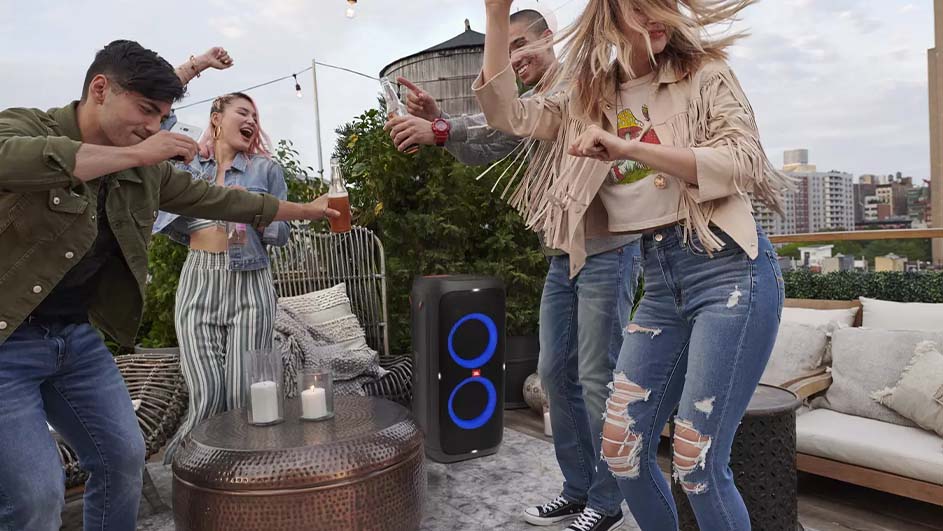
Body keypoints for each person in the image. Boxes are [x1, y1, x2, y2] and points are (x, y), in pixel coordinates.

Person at [475, 1, 789, 529]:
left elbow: (744, 162)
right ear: (609, 20)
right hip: (661, 276)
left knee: (697, 461)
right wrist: (494, 13)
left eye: (659, 6)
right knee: (621, 448)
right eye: (637, 10)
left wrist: (630, 148)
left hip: (729, 270)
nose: (654, 19)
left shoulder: (704, 74)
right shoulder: (590, 95)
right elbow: (507, 113)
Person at [0, 39, 337, 531]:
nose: (154, 127)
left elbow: (223, 201)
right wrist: (139, 150)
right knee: (36, 496)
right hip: (8, 341)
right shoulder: (28, 125)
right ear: (100, 90)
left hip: (75, 339)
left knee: (123, 460)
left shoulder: (146, 166)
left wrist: (306, 210)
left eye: (162, 116)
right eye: (146, 111)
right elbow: (10, 159)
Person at [386, 9, 640, 531]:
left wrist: (437, 125)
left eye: (520, 46)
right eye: (507, 52)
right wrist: (442, 124)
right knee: (552, 374)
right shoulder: (525, 104)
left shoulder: (583, 78)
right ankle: (576, 489)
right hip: (560, 253)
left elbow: (531, 111)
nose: (515, 60)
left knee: (597, 378)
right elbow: (485, 144)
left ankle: (608, 499)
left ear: (551, 38)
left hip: (608, 249)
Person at [155, 92, 290, 461]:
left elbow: (282, 233)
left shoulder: (266, 170)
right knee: (207, 390)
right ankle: (192, 467)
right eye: (242, 112)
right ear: (216, 118)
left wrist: (252, 210)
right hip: (199, 278)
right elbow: (157, 118)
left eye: (255, 116)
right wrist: (197, 66)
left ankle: (240, 470)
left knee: (240, 393)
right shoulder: (187, 166)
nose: (251, 121)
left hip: (250, 282)